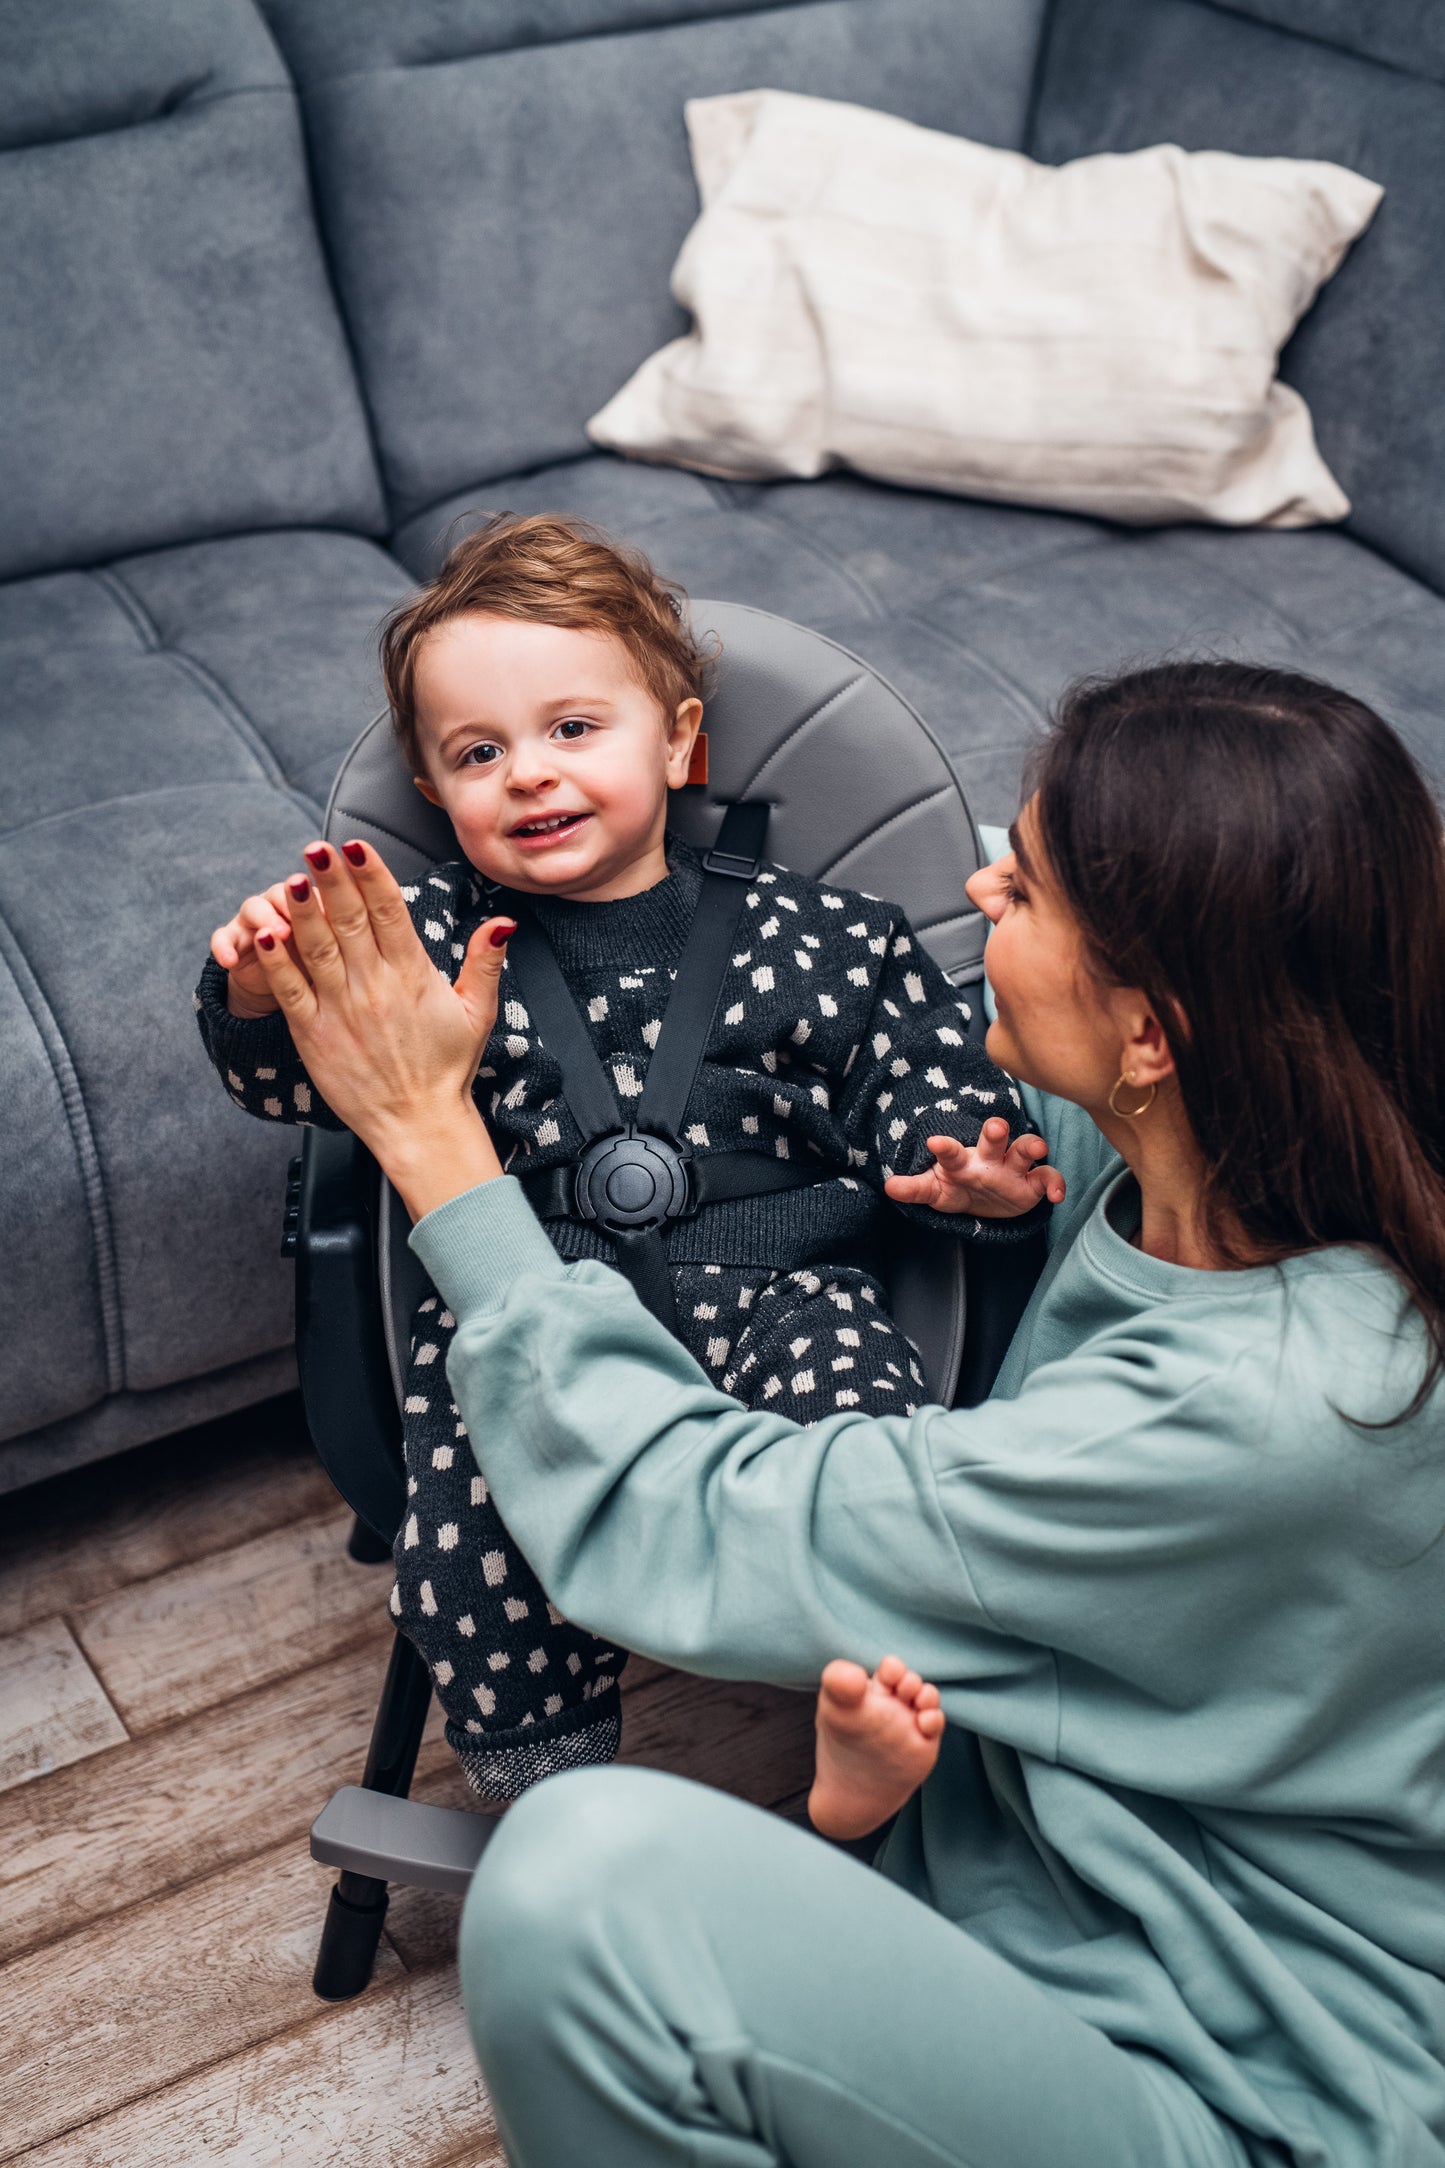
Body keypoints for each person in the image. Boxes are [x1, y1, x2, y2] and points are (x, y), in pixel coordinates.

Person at [229, 653, 1445, 2167]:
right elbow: (915, 1084)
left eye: (1033, 885)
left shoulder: (1280, 1407)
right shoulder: (1196, 1149)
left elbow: (687, 1519)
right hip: (1050, 1895)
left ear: (1152, 1033)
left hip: (1249, 2083)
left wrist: (431, 1138)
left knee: (581, 1878)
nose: (980, 886)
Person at [195, 513, 1057, 1803]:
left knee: (868, 1460)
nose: (529, 774)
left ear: (680, 740)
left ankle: (880, 1717)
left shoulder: (828, 932)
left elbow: (933, 1091)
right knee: (466, 1537)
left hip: (791, 1292)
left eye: (573, 730)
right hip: (521, 1310)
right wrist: (264, 986)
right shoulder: (423, 933)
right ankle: (553, 1786)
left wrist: (974, 1182)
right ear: (434, 794)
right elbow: (298, 1085)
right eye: (479, 754)